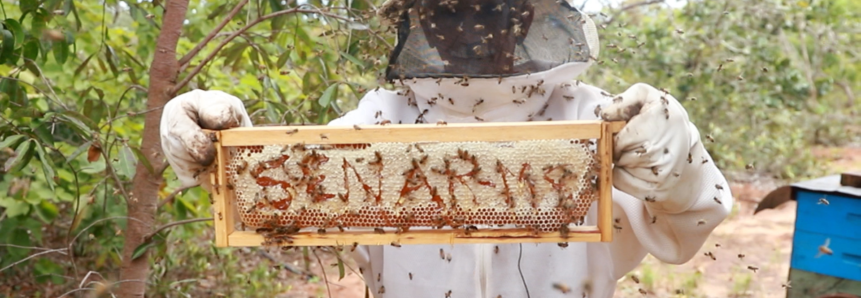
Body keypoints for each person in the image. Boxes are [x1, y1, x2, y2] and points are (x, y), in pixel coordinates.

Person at [160, 0, 733, 297]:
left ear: (529, 16)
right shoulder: (379, 119)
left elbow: (693, 215)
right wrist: (218, 149)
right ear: (422, 26)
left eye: (490, 10)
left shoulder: (595, 116)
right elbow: (279, 185)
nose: (468, 28)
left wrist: (673, 153)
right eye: (449, 13)